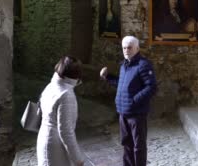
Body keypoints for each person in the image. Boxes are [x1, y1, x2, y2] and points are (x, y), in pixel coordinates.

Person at [100, 36, 157, 166]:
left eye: (129, 47)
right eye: (124, 48)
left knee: (138, 147)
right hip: (123, 112)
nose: (126, 50)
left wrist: (134, 100)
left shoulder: (143, 65)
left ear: (137, 48)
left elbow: (152, 87)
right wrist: (107, 77)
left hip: (136, 113)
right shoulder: (124, 65)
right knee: (126, 144)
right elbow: (122, 84)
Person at [37, 56, 86, 166]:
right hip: (56, 146)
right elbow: (65, 130)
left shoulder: (50, 86)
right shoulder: (66, 94)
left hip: (44, 138)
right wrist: (78, 159)